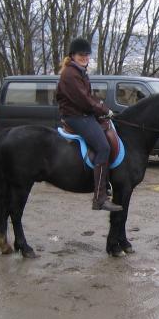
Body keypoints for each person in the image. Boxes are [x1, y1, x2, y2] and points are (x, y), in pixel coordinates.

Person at [56, 37, 123, 211]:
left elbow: (89, 97)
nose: (85, 57)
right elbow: (84, 100)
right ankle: (99, 198)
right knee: (103, 147)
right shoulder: (70, 74)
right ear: (73, 55)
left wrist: (103, 108)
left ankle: (105, 183)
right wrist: (102, 110)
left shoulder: (80, 71)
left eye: (87, 54)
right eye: (81, 54)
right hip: (76, 116)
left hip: (82, 113)